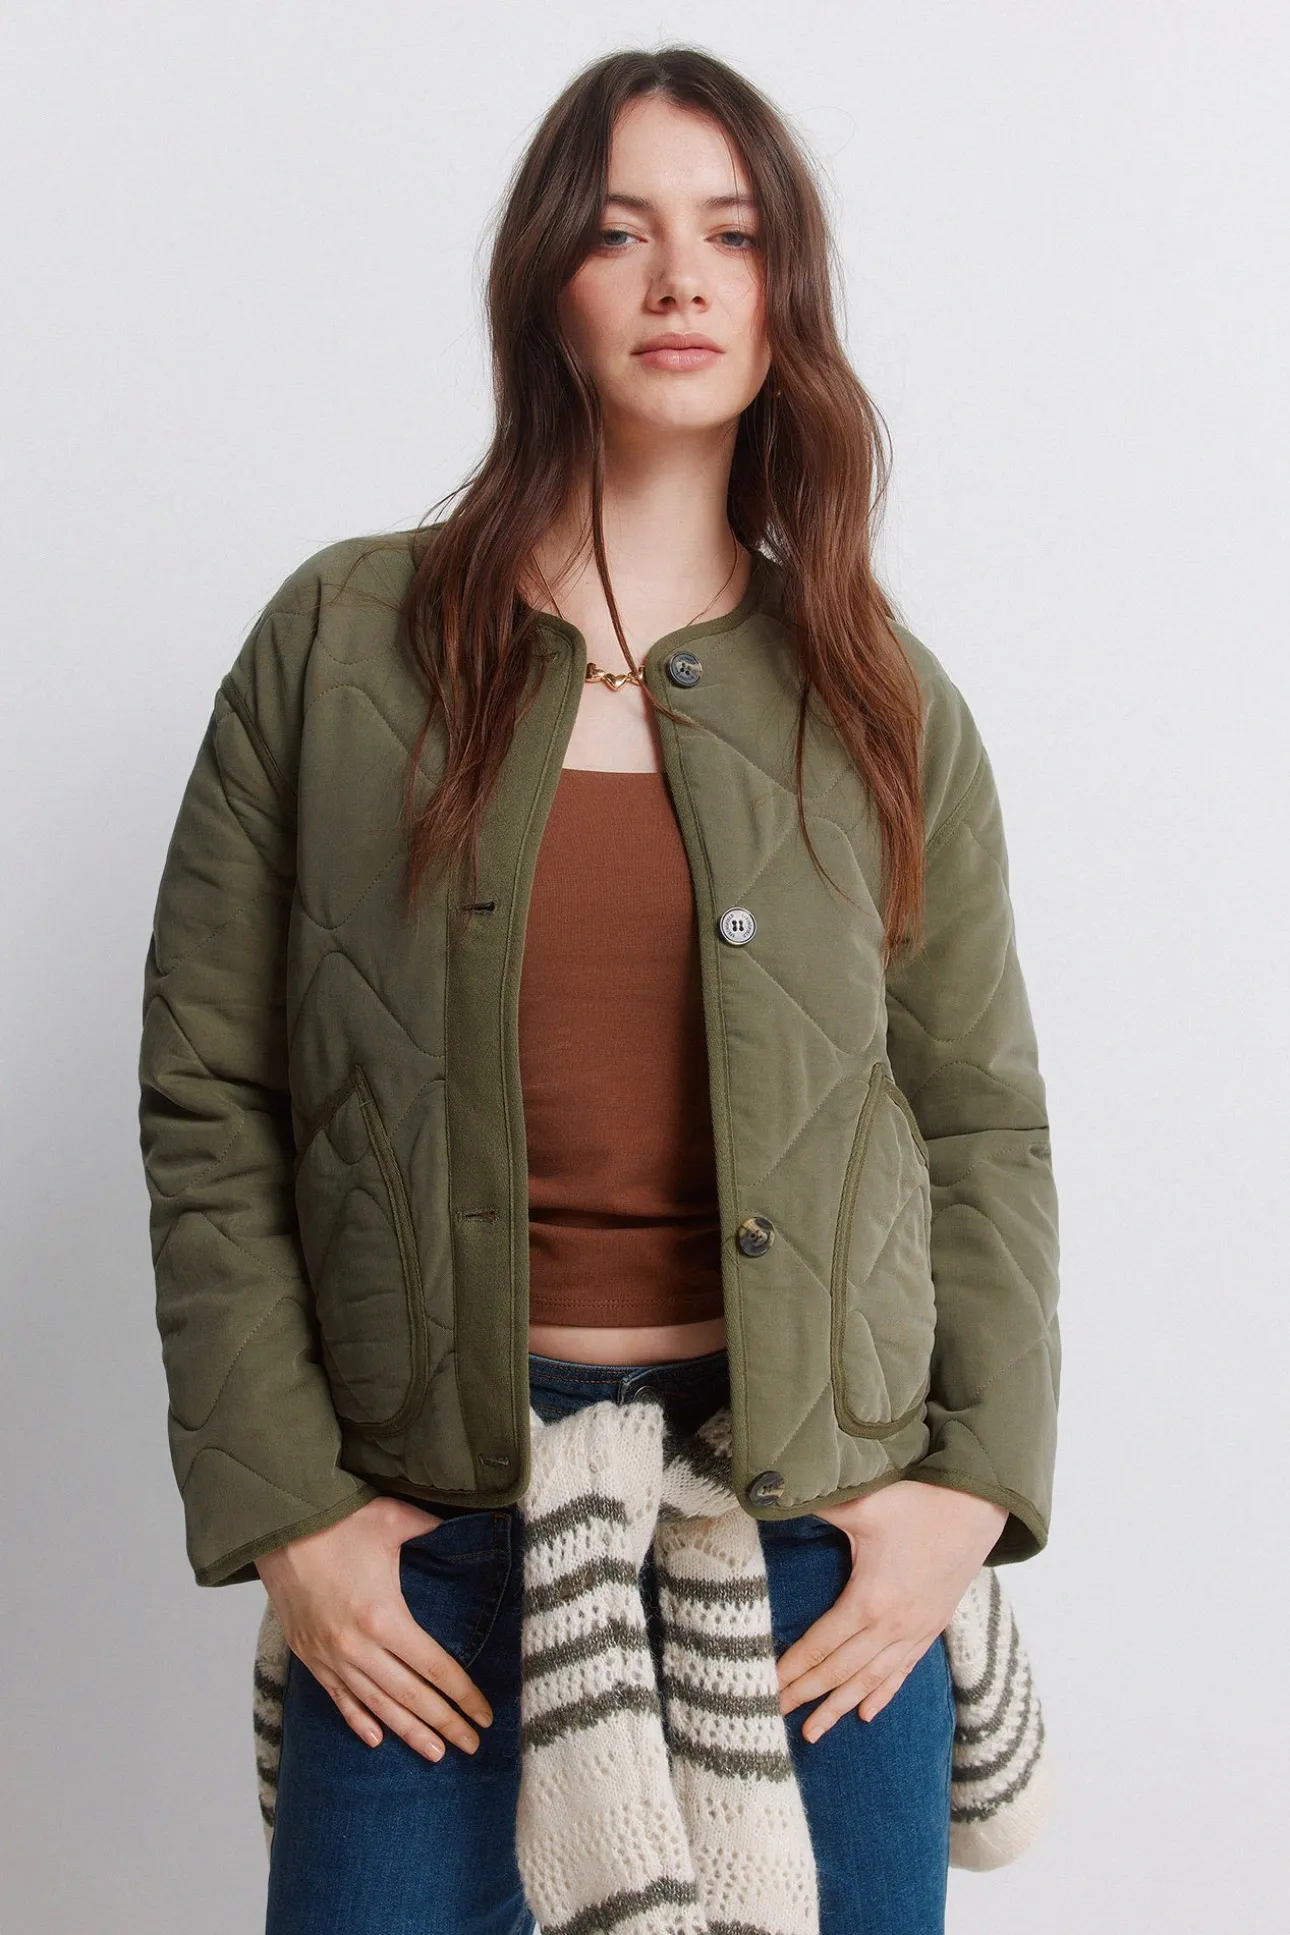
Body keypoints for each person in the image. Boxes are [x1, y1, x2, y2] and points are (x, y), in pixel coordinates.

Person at [137, 45, 1061, 1935]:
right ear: (544, 281)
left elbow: (977, 1121)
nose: (680, 279)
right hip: (429, 1540)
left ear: (785, 294)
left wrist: (966, 1492)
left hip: (810, 1543)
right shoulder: (341, 648)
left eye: (733, 234)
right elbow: (208, 1094)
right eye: (622, 231)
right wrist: (294, 1516)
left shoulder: (882, 697)